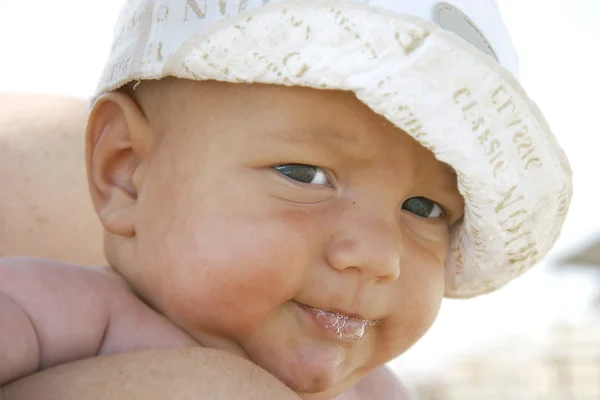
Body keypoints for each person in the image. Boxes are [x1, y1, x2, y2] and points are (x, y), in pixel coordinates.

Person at [0, 0, 573, 399]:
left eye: (425, 209)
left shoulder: (376, 392)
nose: (380, 256)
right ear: (125, 171)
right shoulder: (65, 311)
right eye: (305, 174)